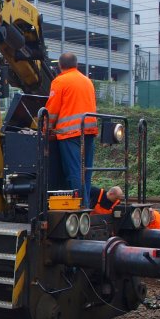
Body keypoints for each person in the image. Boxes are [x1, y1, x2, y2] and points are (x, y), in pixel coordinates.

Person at [47, 52, 98, 207]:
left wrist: (46, 128)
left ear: (59, 66)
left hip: (69, 134)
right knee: (86, 170)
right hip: (89, 132)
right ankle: (86, 204)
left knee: (75, 171)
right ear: (77, 65)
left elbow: (53, 110)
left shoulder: (60, 81)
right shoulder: (87, 81)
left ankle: (80, 206)